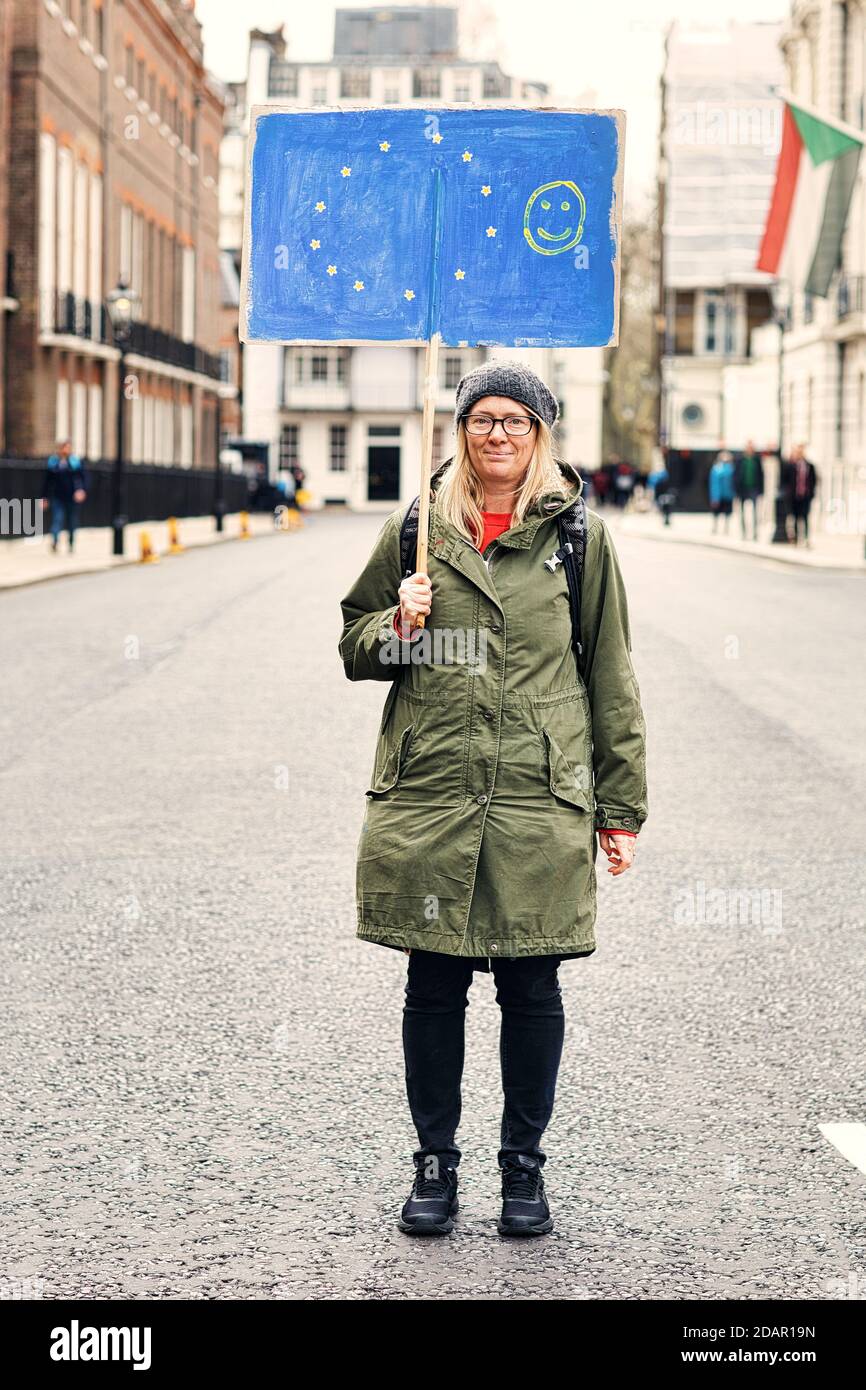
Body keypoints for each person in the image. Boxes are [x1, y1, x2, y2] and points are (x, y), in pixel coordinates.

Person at [338, 363, 648, 1238]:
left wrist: (620, 808)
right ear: (462, 430)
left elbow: (611, 675)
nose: (499, 434)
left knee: (531, 978)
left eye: (516, 420)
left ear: (541, 433)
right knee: (431, 980)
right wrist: (398, 624)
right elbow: (356, 648)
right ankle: (434, 1165)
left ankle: (525, 1169)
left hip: (536, 794)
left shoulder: (577, 536)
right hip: (432, 786)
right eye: (483, 420)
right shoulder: (417, 528)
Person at [41, 439, 88, 553]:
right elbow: (47, 482)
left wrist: (81, 491)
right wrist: (44, 497)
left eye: (67, 448)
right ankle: (55, 541)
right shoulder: (54, 463)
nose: (65, 450)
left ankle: (71, 542)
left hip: (72, 497)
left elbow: (83, 479)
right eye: (63, 448)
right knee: (57, 519)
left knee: (72, 521)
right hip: (58, 497)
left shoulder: (74, 462)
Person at [783, 443, 817, 547]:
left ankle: (806, 538)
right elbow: (785, 480)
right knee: (796, 517)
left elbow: (813, 481)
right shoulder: (791, 466)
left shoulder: (809, 466)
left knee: (805, 517)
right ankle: (797, 539)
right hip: (794, 496)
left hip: (805, 496)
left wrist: (811, 493)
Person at [734, 441, 764, 542]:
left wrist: (761, 490)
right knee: (742, 512)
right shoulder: (740, 460)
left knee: (755, 512)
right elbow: (736, 475)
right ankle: (744, 532)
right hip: (743, 489)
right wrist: (736, 489)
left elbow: (761, 475)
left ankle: (755, 532)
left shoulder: (757, 460)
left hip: (754, 488)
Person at [708, 450, 736, 534]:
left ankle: (725, 528)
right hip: (719, 495)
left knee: (727, 512)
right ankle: (716, 527)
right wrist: (714, 497)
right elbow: (714, 484)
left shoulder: (731, 468)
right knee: (717, 512)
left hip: (727, 495)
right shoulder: (717, 469)